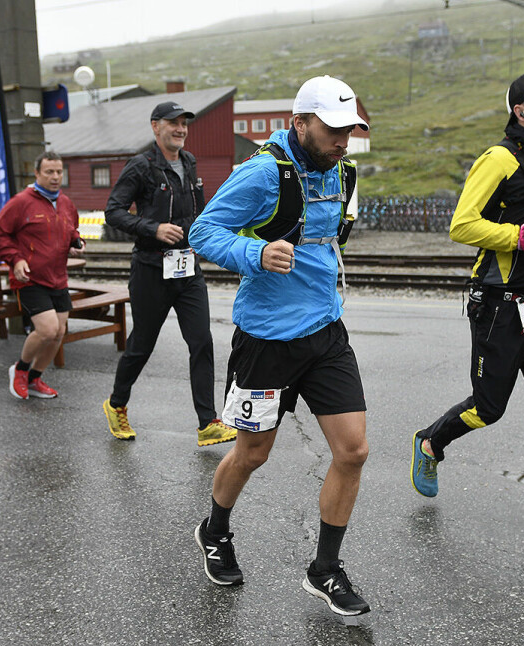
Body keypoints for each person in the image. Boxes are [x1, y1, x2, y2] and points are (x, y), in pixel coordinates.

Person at [188, 75, 371, 616]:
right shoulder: (262, 173)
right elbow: (204, 232)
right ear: (300, 123)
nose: (342, 140)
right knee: (252, 454)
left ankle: (325, 569)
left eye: (350, 130)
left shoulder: (342, 171)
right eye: (333, 129)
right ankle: (214, 529)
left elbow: (334, 232)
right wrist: (256, 253)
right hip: (266, 341)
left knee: (353, 451)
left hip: (325, 334)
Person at [409, 72, 524, 539]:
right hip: (498, 306)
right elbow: (463, 226)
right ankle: (431, 441)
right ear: (520, 111)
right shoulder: (500, 158)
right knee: (489, 409)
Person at [102, 100, 236, 447]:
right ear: (155, 127)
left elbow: (199, 211)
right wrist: (153, 228)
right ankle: (116, 405)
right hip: (150, 269)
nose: (180, 129)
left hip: (187, 268)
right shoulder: (140, 166)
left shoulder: (190, 162)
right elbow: (113, 212)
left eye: (184, 124)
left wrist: (200, 236)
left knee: (201, 341)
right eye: (172, 123)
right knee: (141, 346)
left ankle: (208, 422)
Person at [0, 151, 84, 400]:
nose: (55, 177)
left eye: (59, 172)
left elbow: (71, 229)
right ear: (37, 173)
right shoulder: (21, 202)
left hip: (57, 277)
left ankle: (34, 378)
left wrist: (76, 241)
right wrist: (15, 259)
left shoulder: (65, 203)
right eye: (49, 172)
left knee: (59, 332)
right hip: (29, 277)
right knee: (47, 329)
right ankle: (19, 370)